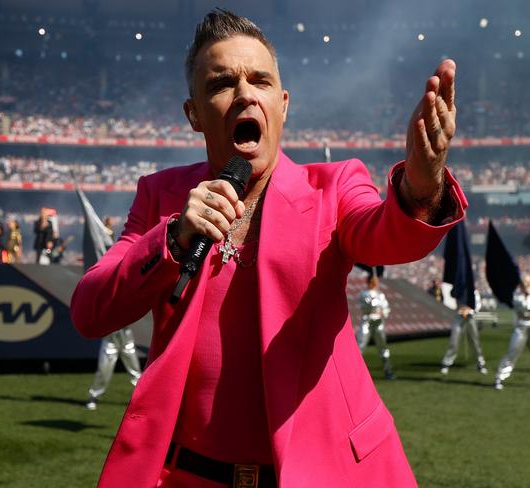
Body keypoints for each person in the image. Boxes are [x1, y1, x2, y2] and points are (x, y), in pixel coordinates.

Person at [70, 10, 466, 488]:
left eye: (259, 80)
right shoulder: (162, 198)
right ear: (194, 113)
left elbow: (386, 233)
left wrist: (422, 188)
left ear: (282, 104)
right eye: (221, 84)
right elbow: (90, 310)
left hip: (317, 474)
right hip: (188, 476)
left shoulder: (334, 187)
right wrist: (173, 237)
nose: (243, 94)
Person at [494, 275, 530, 390]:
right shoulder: (517, 297)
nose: (526, 285)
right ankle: (499, 378)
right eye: (524, 283)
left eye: (528, 282)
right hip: (521, 327)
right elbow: (521, 307)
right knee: (512, 352)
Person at [85, 329, 142, 411]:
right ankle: (93, 396)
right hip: (109, 341)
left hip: (127, 341)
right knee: (103, 372)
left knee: (136, 372)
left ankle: (144, 397)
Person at [356, 273, 395, 379]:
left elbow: (386, 308)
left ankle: (388, 370)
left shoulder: (380, 295)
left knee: (382, 347)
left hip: (378, 323)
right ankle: (354, 373)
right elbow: (366, 305)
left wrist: (383, 312)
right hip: (366, 322)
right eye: (374, 281)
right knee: (360, 347)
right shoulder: (362, 294)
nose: (375, 283)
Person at [440, 289, 488, 375]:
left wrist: (470, 310)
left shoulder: (473, 291)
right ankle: (446, 363)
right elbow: (452, 298)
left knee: (474, 341)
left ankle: (480, 363)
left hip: (470, 317)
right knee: (454, 341)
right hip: (459, 316)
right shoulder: (458, 288)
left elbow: (477, 304)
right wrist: (461, 310)